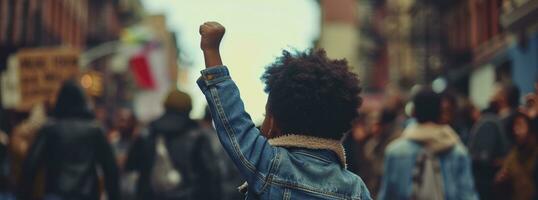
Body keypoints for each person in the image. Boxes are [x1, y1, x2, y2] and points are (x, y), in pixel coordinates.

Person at [197, 22, 371, 199]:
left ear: (273, 123)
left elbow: (232, 121)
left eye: (266, 115)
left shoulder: (271, 166)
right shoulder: (356, 188)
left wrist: (211, 50)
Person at [18, 80, 120, 200]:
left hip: (55, 194)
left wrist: (24, 195)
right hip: (86, 195)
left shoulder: (49, 129)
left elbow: (31, 165)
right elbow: (111, 169)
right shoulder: (95, 130)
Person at [378, 88, 477, 200]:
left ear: (413, 112)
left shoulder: (395, 152)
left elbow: (387, 196)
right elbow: (467, 195)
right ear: (440, 113)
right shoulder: (458, 152)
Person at [125, 90, 221, 200]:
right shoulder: (197, 137)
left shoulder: (147, 134)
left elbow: (130, 169)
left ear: (165, 105)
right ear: (189, 108)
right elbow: (210, 177)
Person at [495, 112, 538, 200]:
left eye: (520, 125)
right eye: (514, 127)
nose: (516, 130)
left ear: (530, 127)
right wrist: (501, 181)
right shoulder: (513, 155)